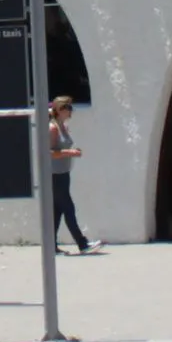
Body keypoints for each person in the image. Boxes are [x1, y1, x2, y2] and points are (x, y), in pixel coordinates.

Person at [46, 98, 96, 254]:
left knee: (57, 211)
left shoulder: (64, 127)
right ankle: (82, 244)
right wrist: (71, 153)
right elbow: (49, 152)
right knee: (68, 208)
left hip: (64, 173)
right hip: (54, 175)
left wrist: (72, 151)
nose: (71, 111)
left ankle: (50, 247)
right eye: (68, 107)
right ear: (60, 109)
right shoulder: (52, 128)